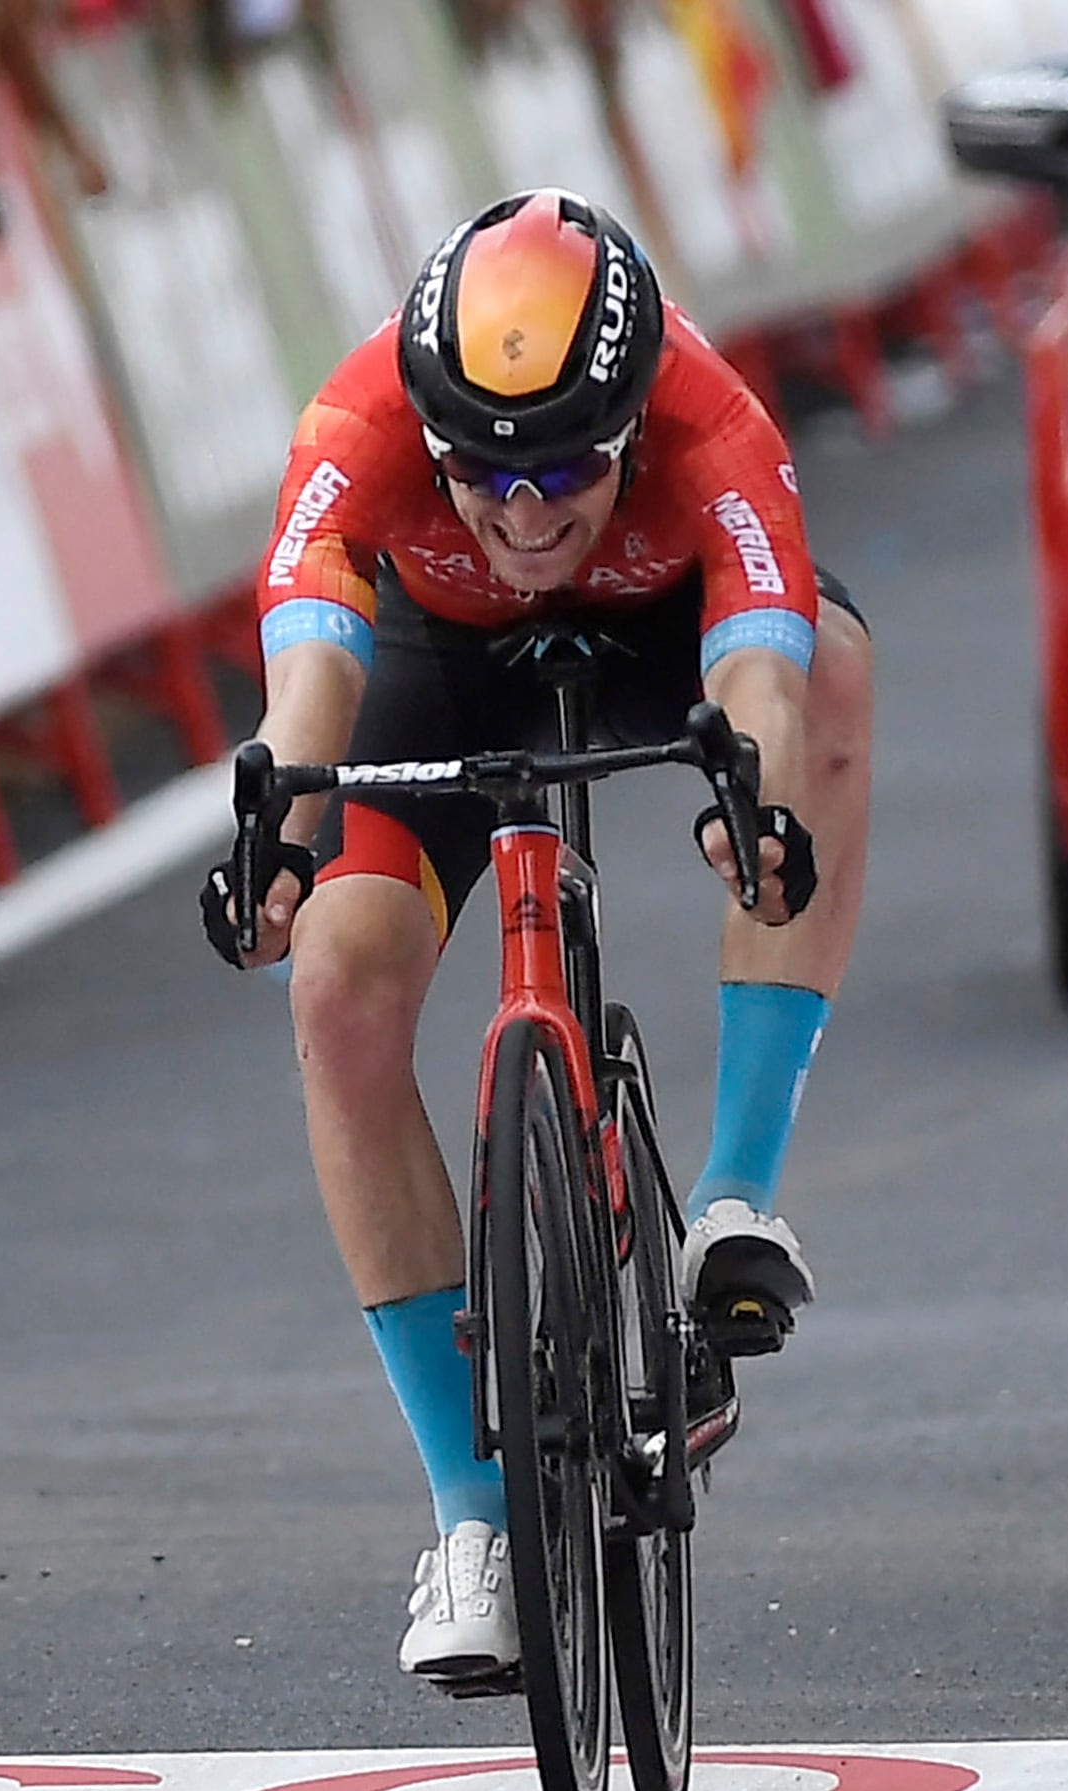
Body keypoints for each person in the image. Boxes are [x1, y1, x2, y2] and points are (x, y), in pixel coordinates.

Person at [202, 188, 873, 1680]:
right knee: (335, 990)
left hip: (667, 637)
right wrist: (278, 853)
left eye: (566, 468)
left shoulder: (714, 423)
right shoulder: (356, 421)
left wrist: (743, 807)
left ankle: (736, 1196)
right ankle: (475, 1517)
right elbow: (307, 687)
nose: (522, 511)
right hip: (442, 662)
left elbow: (757, 662)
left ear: (632, 415)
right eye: (481, 475)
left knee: (829, 667)